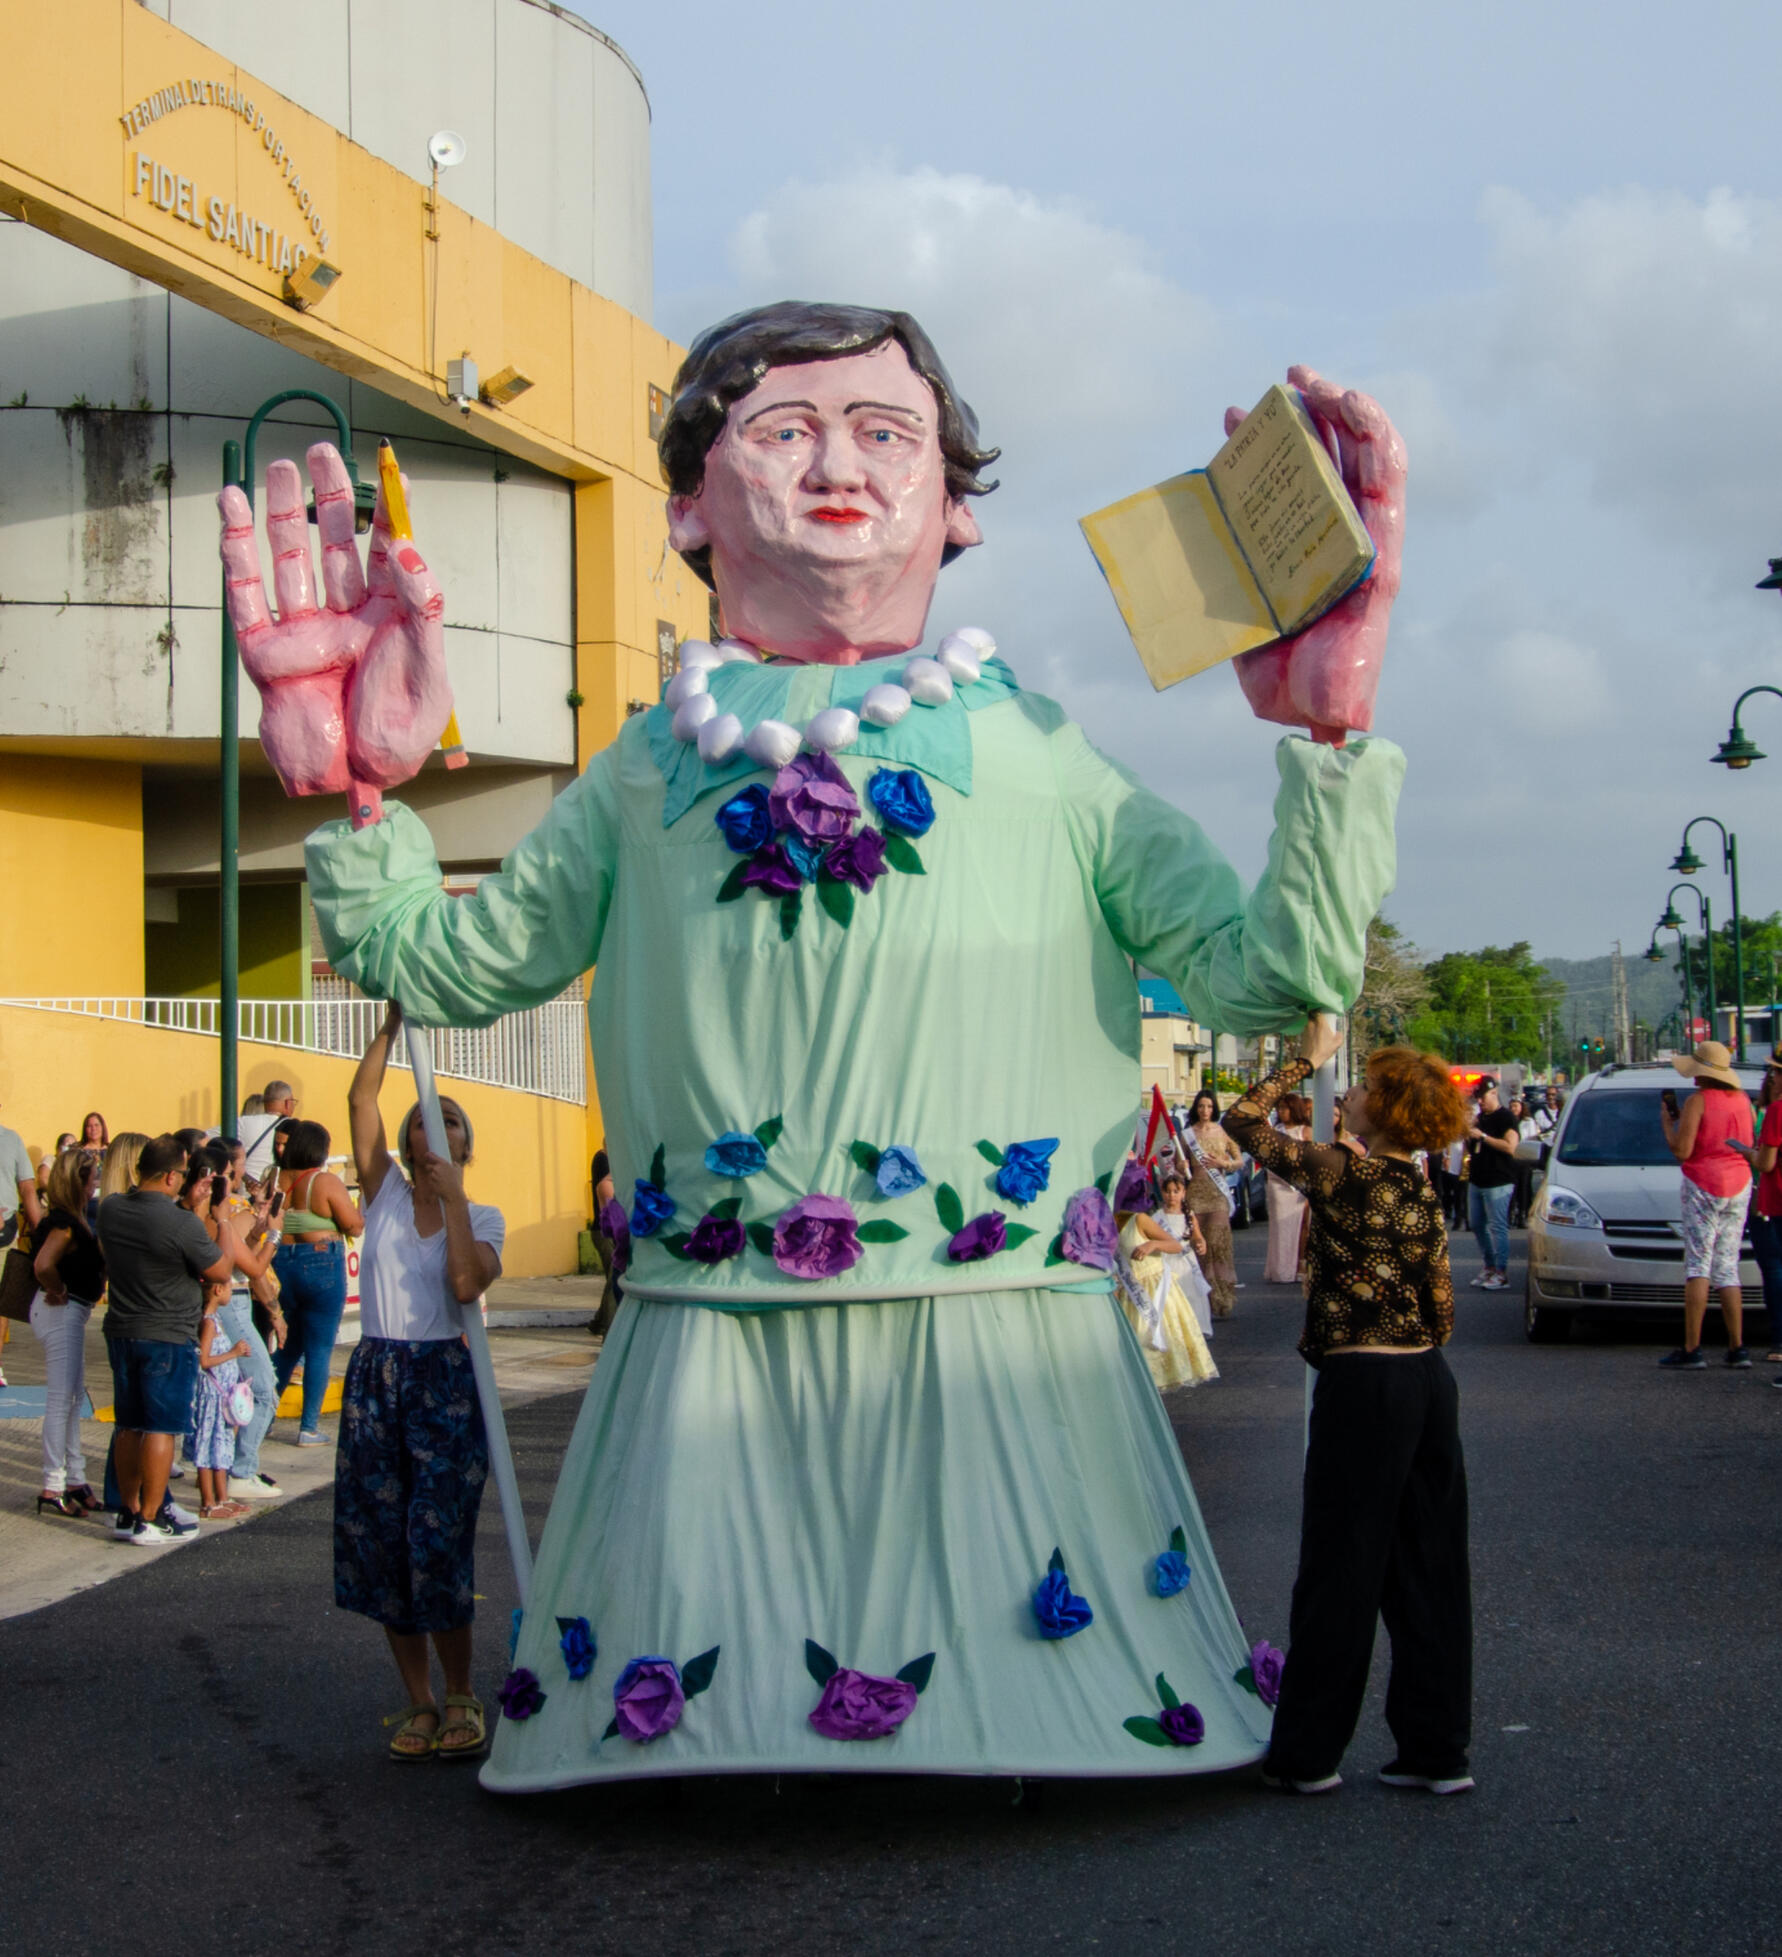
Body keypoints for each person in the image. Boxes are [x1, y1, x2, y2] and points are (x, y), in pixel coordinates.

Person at [229, 302, 1406, 1788]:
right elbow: (447, 969)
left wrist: (1329, 738)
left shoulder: (1047, 757)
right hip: (714, 1345)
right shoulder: (646, 768)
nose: (839, 466)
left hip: (1001, 1348)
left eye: (885, 433)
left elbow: (1271, 973)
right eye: (784, 432)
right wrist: (360, 784)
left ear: (957, 507)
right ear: (688, 506)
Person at [1225, 1018, 1473, 1796]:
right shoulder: (1421, 1189)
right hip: (1427, 1378)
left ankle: (1308, 1754)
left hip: (1362, 1381)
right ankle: (1437, 1750)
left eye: (1364, 1086)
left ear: (1386, 1109)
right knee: (1429, 1564)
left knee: (1340, 1564)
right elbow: (1442, 1308)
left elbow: (1241, 1121)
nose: (1351, 1092)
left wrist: (1305, 1059)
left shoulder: (1340, 1171)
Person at [339, 1006, 504, 1762]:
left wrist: (457, 1198)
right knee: (383, 1546)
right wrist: (390, 1026)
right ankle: (419, 1700)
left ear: (465, 1144)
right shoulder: (382, 1196)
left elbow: (466, 1284)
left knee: (436, 1541)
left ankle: (462, 1688)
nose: (432, 1129)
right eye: (420, 1122)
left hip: (444, 1380)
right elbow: (361, 1100)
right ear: (407, 1143)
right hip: (377, 1374)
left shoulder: (486, 1215)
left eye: (449, 1120)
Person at [96, 1133, 234, 1545]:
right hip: (167, 1336)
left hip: (122, 1330)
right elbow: (221, 1271)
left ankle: (128, 1512)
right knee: (160, 1429)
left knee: (128, 1425)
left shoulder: (110, 1209)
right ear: (173, 1177)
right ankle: (151, 1518)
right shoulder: (181, 1223)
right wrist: (222, 1218)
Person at [197, 1140, 285, 1497]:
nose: (238, 1177)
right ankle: (241, 1470)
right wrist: (273, 1231)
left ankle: (227, 1470)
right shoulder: (221, 1215)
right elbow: (254, 1268)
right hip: (229, 1302)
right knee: (264, 1389)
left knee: (229, 1390)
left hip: (225, 1302)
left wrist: (254, 1230)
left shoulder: (201, 1215)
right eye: (233, 1170)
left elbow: (233, 1257)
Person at [1658, 1041, 1752, 1369]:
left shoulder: (1698, 1101)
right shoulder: (1743, 1100)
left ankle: (1692, 1348)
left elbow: (1682, 1151)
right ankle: (1737, 1347)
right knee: (1727, 1265)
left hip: (1703, 1183)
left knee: (1698, 1264)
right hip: (1739, 1183)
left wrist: (1668, 1125)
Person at [273, 1121, 364, 1443]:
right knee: (319, 1349)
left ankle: (262, 1416)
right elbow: (353, 1226)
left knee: (288, 1347)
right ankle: (308, 1427)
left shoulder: (278, 1180)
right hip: (321, 1262)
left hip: (282, 1263)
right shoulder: (324, 1181)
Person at [29, 1148, 107, 1517]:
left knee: (74, 1399)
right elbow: (43, 1264)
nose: (95, 1185)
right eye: (92, 1179)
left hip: (71, 1311)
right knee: (62, 1400)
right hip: (62, 1311)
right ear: (78, 1182)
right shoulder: (64, 1223)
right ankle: (53, 1483)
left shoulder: (72, 1219)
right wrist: (57, 1288)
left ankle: (74, 1478)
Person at [1113, 1198, 1217, 1390]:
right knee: (1142, 1345)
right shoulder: (1104, 1232)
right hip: (1131, 1294)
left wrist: (1152, 1245)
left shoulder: (1138, 1220)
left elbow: (1175, 1245)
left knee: (1160, 1341)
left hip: (1157, 1290)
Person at [186, 1274, 250, 1519]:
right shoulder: (208, 1323)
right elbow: (204, 1360)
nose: (231, 1292)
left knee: (221, 1445)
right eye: (229, 1288)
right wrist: (233, 1353)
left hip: (223, 1397)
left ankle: (222, 1497)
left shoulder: (217, 1320)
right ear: (217, 1291)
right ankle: (208, 1503)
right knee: (207, 1444)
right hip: (211, 1396)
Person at [1179, 1096, 1241, 1318]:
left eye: (1209, 1106)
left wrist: (1222, 1163)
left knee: (1217, 1244)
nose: (1205, 1110)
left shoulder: (1223, 1132)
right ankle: (1203, 1297)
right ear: (1196, 1108)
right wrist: (1181, 1166)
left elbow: (1239, 1161)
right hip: (1196, 1195)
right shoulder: (1187, 1135)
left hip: (1217, 1195)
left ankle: (1222, 1295)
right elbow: (1177, 1168)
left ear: (1214, 1109)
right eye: (1201, 1106)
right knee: (1199, 1246)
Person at [1739, 1059, 1782, 1367]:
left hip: (1777, 1199)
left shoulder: (1777, 1111)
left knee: (1776, 1271)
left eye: (1776, 1071)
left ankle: (1779, 1339)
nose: (1772, 1076)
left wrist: (1747, 1153)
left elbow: (1766, 1163)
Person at [1463, 1079, 1519, 1290]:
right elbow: (1471, 1147)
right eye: (1477, 1098)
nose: (1480, 1102)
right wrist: (1468, 1134)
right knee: (1476, 1224)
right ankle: (1489, 1266)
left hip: (1499, 1180)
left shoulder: (1506, 1117)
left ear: (1494, 1093)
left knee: (1498, 1226)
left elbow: (1510, 1146)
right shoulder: (1479, 1118)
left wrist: (1484, 1137)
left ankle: (1501, 1273)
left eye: (1483, 1097)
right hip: (1477, 1179)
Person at [1153, 1170, 1215, 1336]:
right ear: (1162, 1193)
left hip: (1186, 1261)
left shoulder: (1188, 1215)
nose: (1171, 1196)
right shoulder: (1157, 1217)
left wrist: (1201, 1244)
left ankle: (1195, 1328)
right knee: (1170, 1295)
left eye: (1176, 1191)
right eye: (1168, 1191)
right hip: (1166, 1260)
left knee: (1191, 1293)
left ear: (1183, 1193)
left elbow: (1197, 1237)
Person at [1263, 1091, 1312, 1283]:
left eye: (1285, 1108)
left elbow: (1311, 1157)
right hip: (1278, 1184)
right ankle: (1280, 1269)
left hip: (1299, 1186)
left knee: (1300, 1226)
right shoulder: (1276, 1130)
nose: (1281, 1111)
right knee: (1279, 1227)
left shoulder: (1305, 1131)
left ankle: (1298, 1266)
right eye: (1279, 1108)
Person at [242, 1080, 297, 1180]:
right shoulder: (295, 1127)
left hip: (244, 1186)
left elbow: (210, 1136)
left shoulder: (243, 1122)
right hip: (274, 1186)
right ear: (287, 1103)